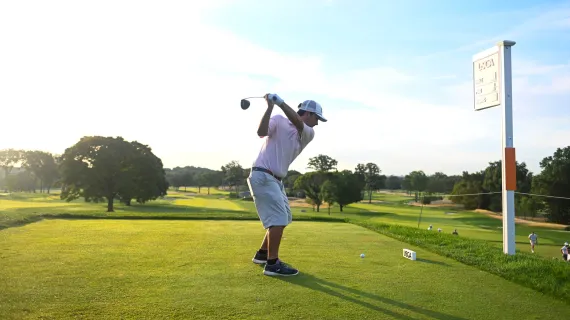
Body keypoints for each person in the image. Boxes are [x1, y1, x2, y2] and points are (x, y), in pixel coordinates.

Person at [247, 93, 326, 276]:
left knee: (285, 218)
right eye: (317, 118)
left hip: (275, 180)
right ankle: (272, 264)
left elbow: (297, 122)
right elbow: (261, 132)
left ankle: (262, 254)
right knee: (278, 219)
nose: (318, 122)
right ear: (308, 113)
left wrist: (281, 103)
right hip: (263, 175)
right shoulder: (278, 119)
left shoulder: (307, 132)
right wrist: (269, 108)